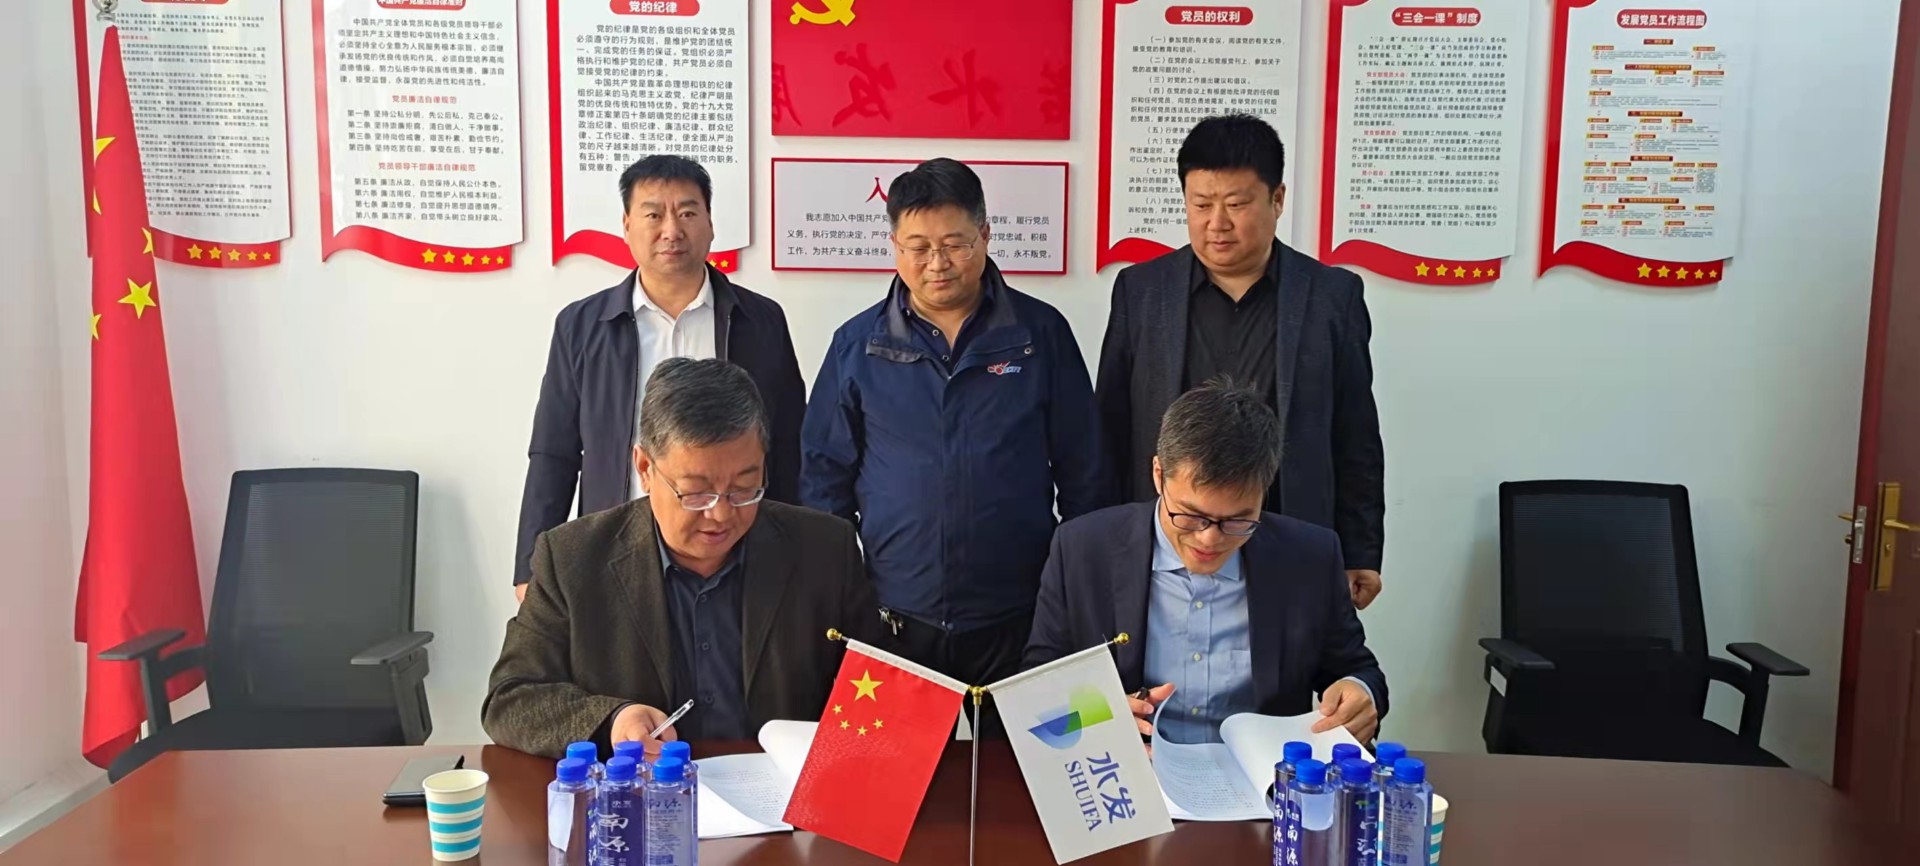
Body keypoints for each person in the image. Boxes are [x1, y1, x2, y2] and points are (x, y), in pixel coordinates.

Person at [801, 158, 1107, 732]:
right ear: (894, 245)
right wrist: (847, 589)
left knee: (1026, 768)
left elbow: (1084, 469)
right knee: (898, 777)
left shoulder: (1040, 335)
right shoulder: (857, 345)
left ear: (985, 235)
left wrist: (1076, 587)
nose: (936, 263)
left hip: (1021, 612)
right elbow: (824, 479)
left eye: (954, 244)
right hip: (896, 617)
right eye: (917, 247)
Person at [485, 358, 880, 758]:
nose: (721, 514)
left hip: (781, 788)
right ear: (645, 468)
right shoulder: (572, 558)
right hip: (644, 787)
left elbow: (879, 689)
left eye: (745, 488)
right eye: (696, 493)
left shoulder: (825, 549)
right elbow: (510, 697)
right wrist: (613, 719)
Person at [1096, 114, 1387, 609]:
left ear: (1277, 199)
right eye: (1201, 204)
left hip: (1289, 535)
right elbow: (1109, 427)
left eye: (1236, 204)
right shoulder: (1142, 292)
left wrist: (1360, 550)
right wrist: (1105, 541)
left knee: (1287, 658)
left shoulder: (1331, 297)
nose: (1217, 223)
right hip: (1170, 542)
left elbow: (1355, 433)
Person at [1025, 381, 1387, 744]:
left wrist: (1360, 694)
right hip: (1130, 766)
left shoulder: (1309, 556)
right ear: (1158, 475)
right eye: (1190, 516)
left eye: (1237, 520)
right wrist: (1101, 715)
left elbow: (1355, 668)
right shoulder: (1083, 549)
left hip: (1260, 769)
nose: (1209, 539)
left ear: (1264, 489)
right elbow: (1035, 689)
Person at [513, 155, 806, 602]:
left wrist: (795, 554)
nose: (671, 230)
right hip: (616, 548)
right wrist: (531, 567)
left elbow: (788, 443)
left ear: (710, 223)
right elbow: (554, 452)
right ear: (627, 225)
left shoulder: (759, 320)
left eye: (687, 213)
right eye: (653, 215)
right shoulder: (583, 326)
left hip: (733, 542)